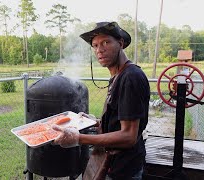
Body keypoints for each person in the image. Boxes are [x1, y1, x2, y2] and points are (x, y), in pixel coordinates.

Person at [53, 22, 150, 180]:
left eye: (106, 42)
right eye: (95, 45)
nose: (99, 50)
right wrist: (98, 122)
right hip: (114, 162)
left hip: (124, 168)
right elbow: (120, 118)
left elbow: (129, 136)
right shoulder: (118, 75)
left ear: (120, 43)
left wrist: (78, 138)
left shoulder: (130, 77)